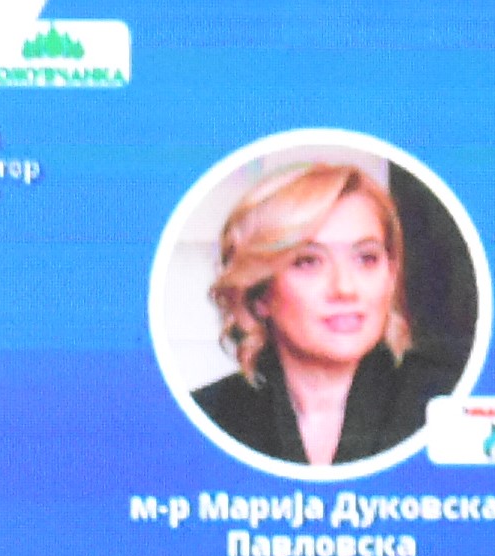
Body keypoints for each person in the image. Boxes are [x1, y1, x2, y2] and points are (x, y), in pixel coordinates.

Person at [189, 156, 461, 473]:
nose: (345, 288)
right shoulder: (204, 417)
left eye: (366, 258)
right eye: (308, 261)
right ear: (260, 293)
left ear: (390, 275)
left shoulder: (451, 402)